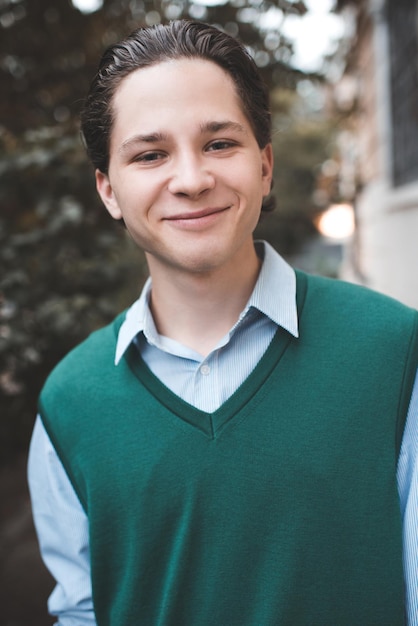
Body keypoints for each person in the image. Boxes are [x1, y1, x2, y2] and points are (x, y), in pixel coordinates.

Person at [28, 19, 418, 626]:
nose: (191, 180)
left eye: (219, 144)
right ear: (108, 190)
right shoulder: (70, 401)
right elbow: (82, 613)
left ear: (264, 166)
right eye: (150, 154)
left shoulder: (394, 351)